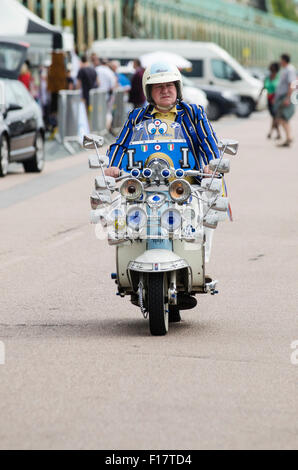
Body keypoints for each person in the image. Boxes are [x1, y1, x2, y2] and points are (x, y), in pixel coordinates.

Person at [105, 62, 219, 178]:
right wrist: (113, 165)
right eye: (158, 86)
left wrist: (212, 164)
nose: (165, 91)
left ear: (177, 87)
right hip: (145, 184)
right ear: (149, 91)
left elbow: (208, 140)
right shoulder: (137, 117)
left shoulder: (193, 113)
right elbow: (121, 144)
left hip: (187, 185)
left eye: (169, 85)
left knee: (215, 191)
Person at [273, 54, 296, 147]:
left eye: (281, 60)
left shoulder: (290, 70)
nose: (280, 62)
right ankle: (288, 137)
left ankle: (289, 137)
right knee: (283, 118)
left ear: (284, 60)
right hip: (282, 97)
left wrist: (288, 98)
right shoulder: (285, 70)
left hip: (286, 97)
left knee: (282, 118)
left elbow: (292, 84)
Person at [261, 62, 281, 140]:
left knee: (275, 117)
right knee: (274, 117)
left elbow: (279, 89)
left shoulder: (279, 77)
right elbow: (263, 87)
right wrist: (258, 98)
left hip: (276, 99)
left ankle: (271, 132)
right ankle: (277, 133)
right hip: (269, 99)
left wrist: (275, 98)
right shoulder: (268, 77)